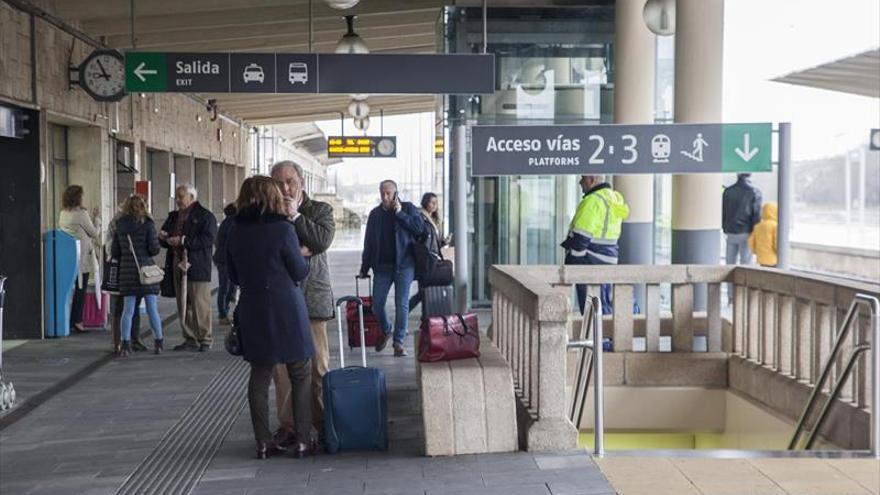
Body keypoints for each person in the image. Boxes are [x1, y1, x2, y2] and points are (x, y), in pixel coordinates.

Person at [226, 176, 315, 459]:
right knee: (300, 372)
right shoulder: (283, 229)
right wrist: (303, 254)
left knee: (260, 375)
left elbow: (233, 276)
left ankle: (263, 442)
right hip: (286, 307)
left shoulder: (234, 229)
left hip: (253, 307)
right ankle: (303, 440)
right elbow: (299, 272)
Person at [269, 161, 336, 446]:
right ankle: (289, 425)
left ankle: (321, 422)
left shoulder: (320, 210)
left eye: (290, 181)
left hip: (311, 298)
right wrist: (299, 250)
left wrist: (296, 216)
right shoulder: (267, 213)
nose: (285, 188)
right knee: (282, 368)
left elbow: (321, 240)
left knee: (317, 365)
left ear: (301, 181)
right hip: (280, 299)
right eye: (279, 182)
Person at [359, 180, 424, 357]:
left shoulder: (408, 208)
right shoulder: (375, 215)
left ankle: (399, 342)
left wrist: (400, 214)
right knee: (377, 304)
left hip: (404, 265)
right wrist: (364, 267)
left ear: (396, 193)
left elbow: (420, 229)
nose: (385, 197)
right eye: (382, 193)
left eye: (388, 193)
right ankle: (387, 329)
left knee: (401, 304)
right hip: (382, 266)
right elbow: (369, 243)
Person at [159, 184, 218, 352]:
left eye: (181, 197)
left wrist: (183, 241)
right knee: (183, 303)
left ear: (191, 197)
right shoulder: (173, 216)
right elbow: (164, 235)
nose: (178, 200)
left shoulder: (206, 216)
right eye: (177, 197)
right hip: (177, 263)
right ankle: (190, 338)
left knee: (200, 303)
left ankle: (205, 338)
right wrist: (164, 238)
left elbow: (208, 239)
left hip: (197, 264)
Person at [561, 175, 630, 315]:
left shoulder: (592, 201)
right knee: (602, 303)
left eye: (583, 178)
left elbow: (581, 237)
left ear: (591, 180)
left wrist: (573, 264)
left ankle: (596, 336)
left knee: (590, 309)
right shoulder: (612, 198)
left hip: (589, 261)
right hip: (607, 260)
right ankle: (605, 336)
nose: (580, 182)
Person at [111, 195, 164, 356]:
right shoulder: (148, 224)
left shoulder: (119, 225)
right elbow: (155, 249)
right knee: (152, 309)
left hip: (127, 273)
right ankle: (159, 342)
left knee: (128, 310)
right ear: (143, 206)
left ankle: (125, 344)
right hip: (146, 272)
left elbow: (115, 252)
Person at [58, 185, 100, 334]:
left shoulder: (63, 213)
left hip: (67, 256)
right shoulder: (81, 214)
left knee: (68, 290)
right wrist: (97, 218)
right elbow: (94, 233)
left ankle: (68, 320)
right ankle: (77, 321)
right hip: (82, 258)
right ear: (78, 198)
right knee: (80, 290)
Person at [106, 208, 146, 353]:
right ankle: (133, 340)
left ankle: (118, 341)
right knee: (132, 306)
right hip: (133, 269)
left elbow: (110, 248)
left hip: (117, 268)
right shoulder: (141, 223)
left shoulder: (115, 224)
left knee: (118, 307)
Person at [722, 173, 762, 302]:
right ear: (750, 176)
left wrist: (725, 227)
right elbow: (756, 215)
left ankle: (730, 296)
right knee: (746, 265)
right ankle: (743, 297)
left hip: (730, 232)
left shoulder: (728, 191)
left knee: (729, 265)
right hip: (746, 233)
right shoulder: (754, 192)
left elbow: (724, 212)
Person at [409, 192, 450, 312]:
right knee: (424, 290)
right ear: (425, 202)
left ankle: (424, 316)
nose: (434, 205)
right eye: (432, 202)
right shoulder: (421, 217)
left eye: (436, 202)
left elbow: (433, 241)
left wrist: (443, 242)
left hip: (433, 258)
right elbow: (422, 239)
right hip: (425, 259)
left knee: (425, 290)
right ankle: (405, 311)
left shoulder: (433, 219)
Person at [214, 203, 238, 325]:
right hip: (224, 260)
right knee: (225, 287)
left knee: (229, 287)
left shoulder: (227, 222)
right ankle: (222, 314)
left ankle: (225, 312)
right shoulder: (231, 223)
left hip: (224, 259)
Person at [748, 202, 778, 268]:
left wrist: (755, 251)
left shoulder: (758, 226)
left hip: (761, 258)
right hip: (773, 258)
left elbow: (751, 241)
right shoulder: (775, 226)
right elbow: (777, 243)